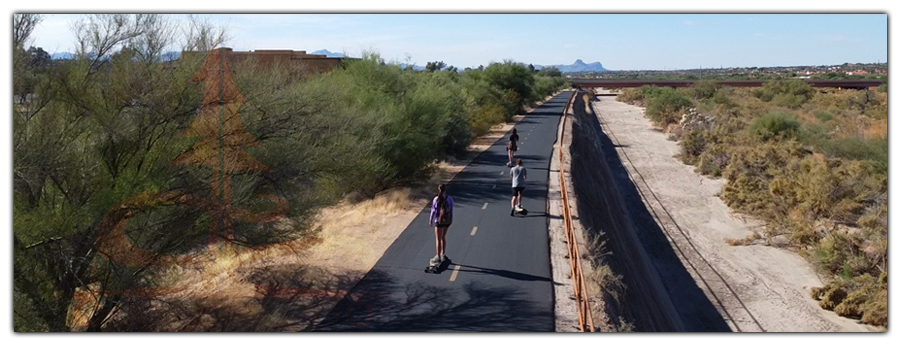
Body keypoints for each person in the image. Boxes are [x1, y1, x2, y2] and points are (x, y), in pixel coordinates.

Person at [429, 184, 454, 265]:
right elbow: (451, 210)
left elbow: (433, 211)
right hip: (447, 221)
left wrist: (431, 220)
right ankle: (443, 254)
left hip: (439, 221)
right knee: (443, 237)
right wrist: (450, 219)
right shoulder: (449, 198)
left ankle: (438, 257)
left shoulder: (436, 199)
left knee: (438, 239)